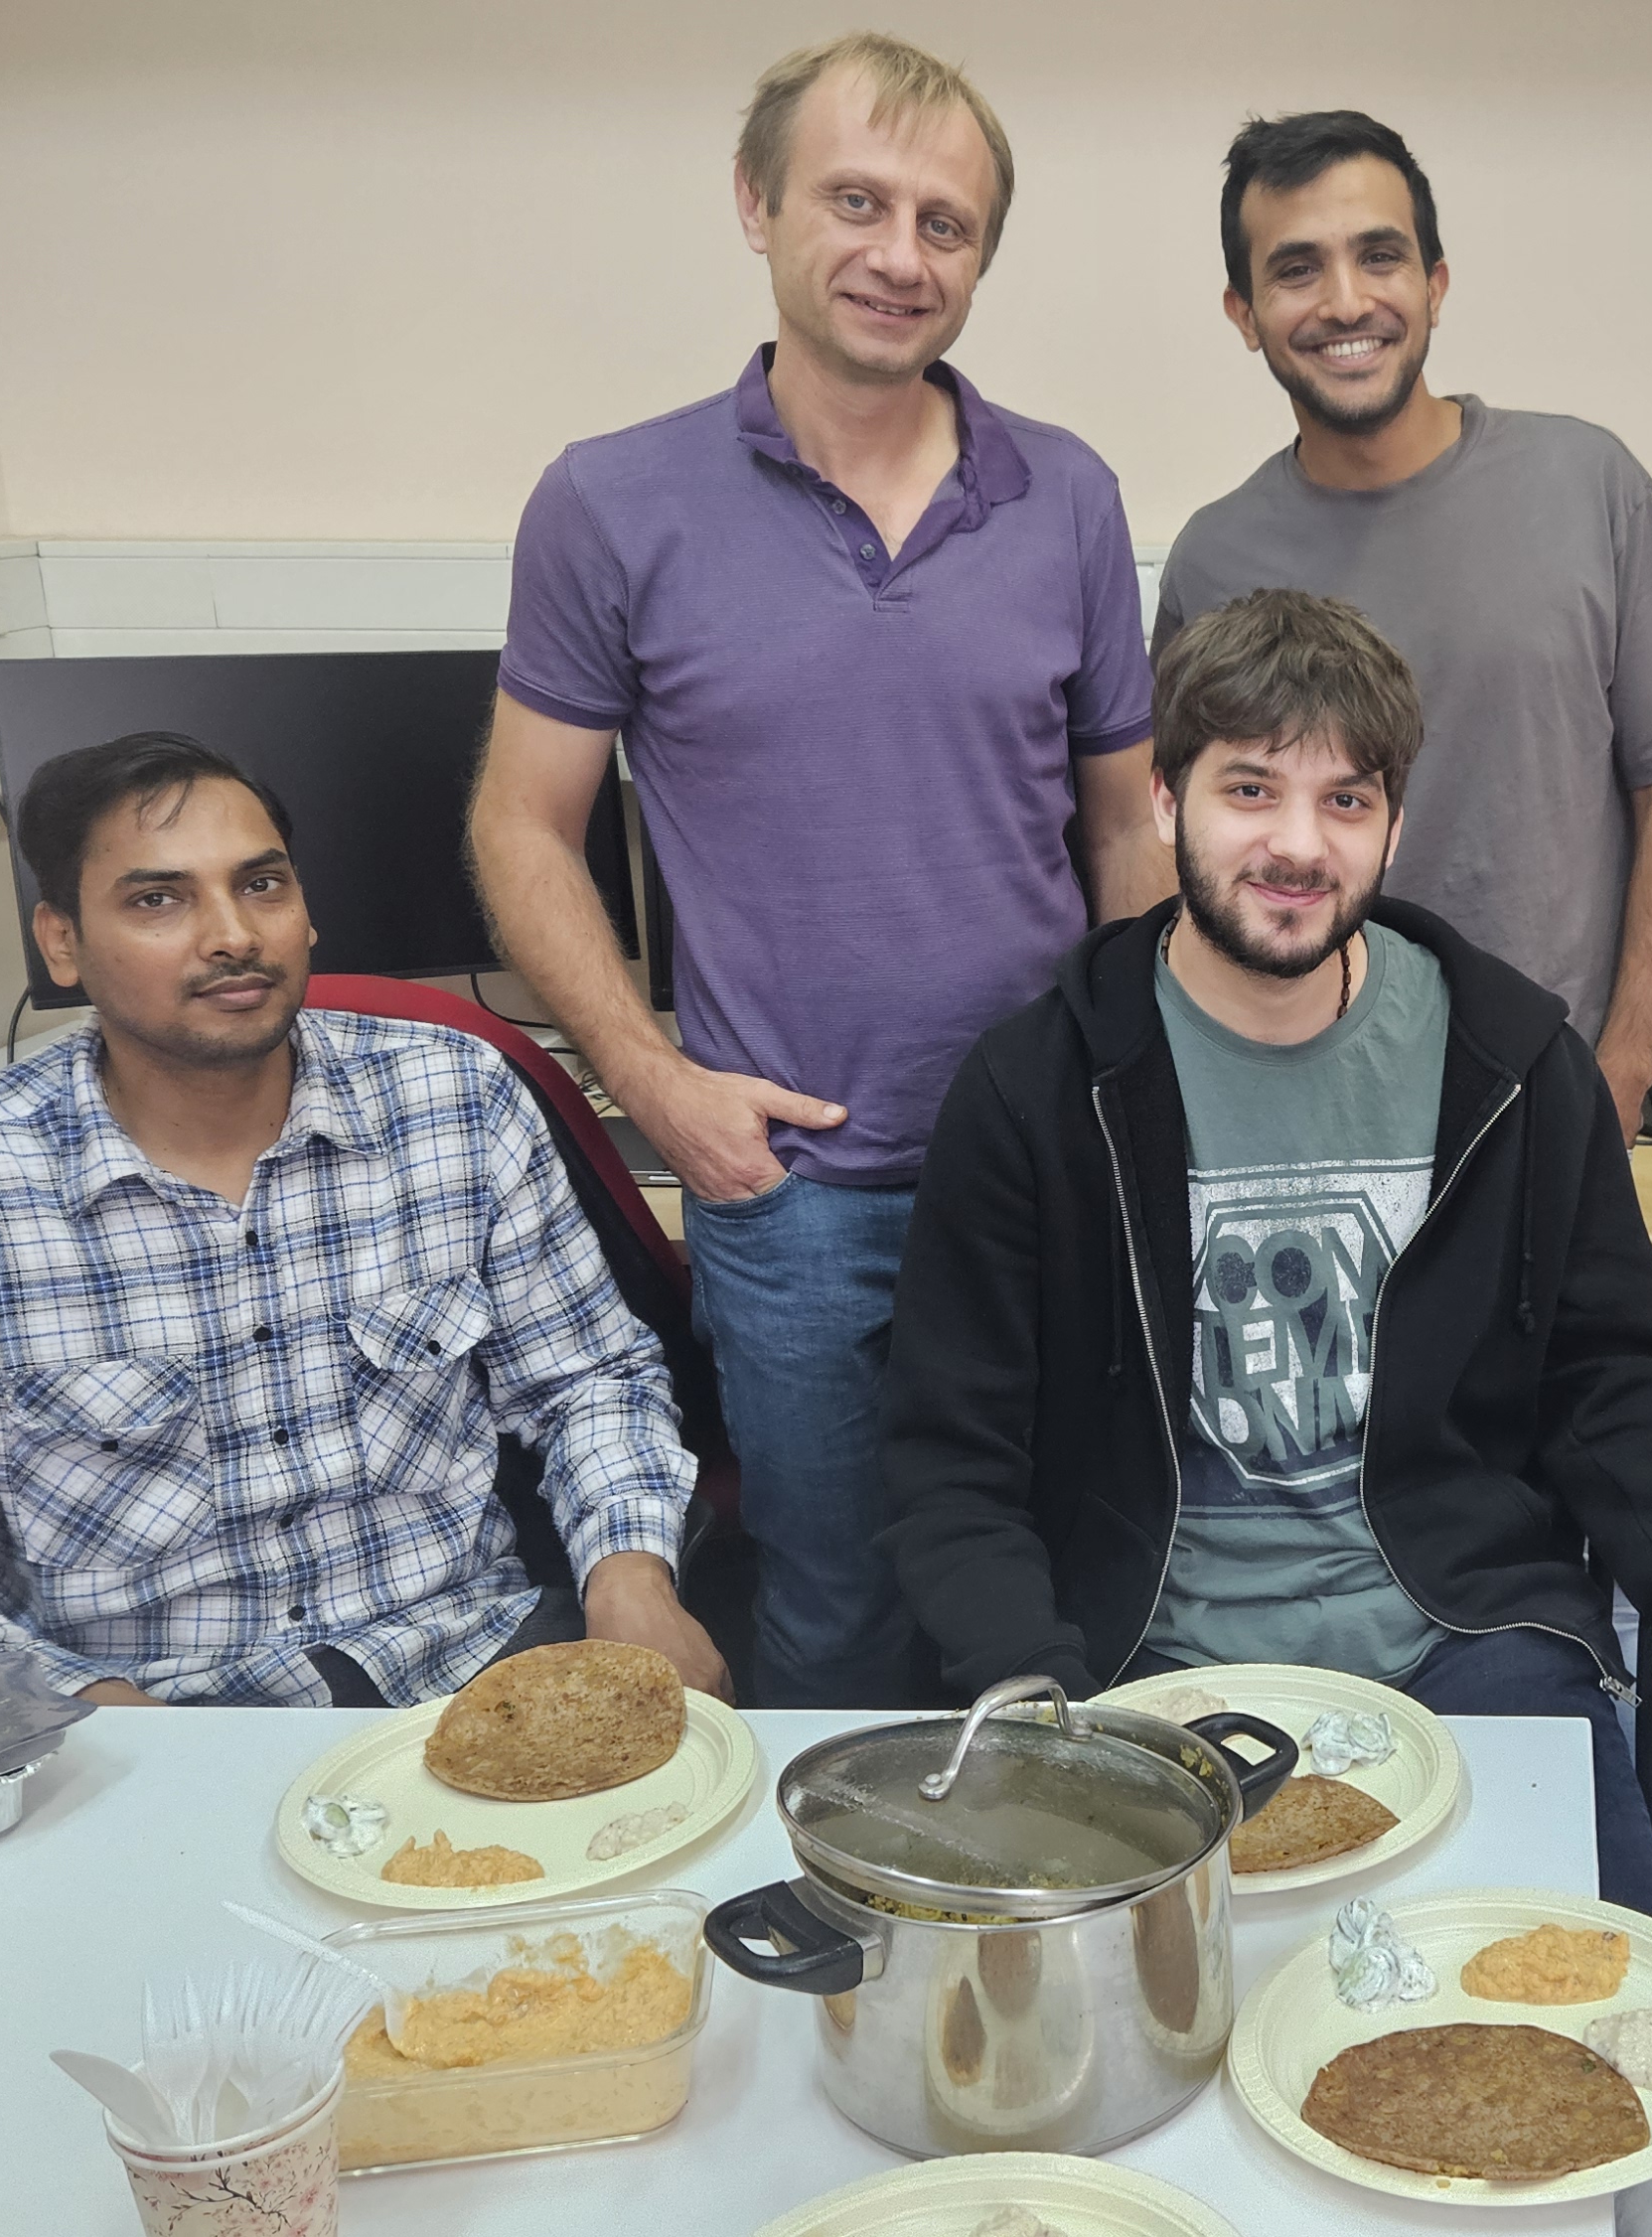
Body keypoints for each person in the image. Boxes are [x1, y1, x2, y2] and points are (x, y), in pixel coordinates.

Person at [876, 589, 1652, 1921]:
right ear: (1162, 797)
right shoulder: (1040, 1090)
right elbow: (949, 1458)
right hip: (1143, 1661)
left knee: (1607, 1994)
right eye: (1250, 790)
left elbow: (1619, 1385)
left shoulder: (1509, 1063)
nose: (1298, 846)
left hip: (1459, 1635)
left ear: (1393, 824)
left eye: (1347, 801)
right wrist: (1033, 1696)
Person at [470, 32, 1166, 1708]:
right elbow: (519, 824)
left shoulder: (1065, 498)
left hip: (1042, 1169)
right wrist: (652, 1080)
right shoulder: (613, 502)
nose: (899, 254)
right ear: (757, 204)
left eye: (946, 223)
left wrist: (1136, 1092)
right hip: (792, 1195)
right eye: (857, 201)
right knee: (837, 1619)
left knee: (1057, 1599)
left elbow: (1130, 826)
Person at [0, 734, 725, 1709]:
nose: (232, 934)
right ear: (63, 942)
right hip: (141, 1715)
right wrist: (85, 1709)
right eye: (157, 898)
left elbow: (589, 1379)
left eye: (261, 885)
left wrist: (629, 1574)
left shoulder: (455, 1098)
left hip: (466, 1664)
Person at [1155, 110, 1652, 1128]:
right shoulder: (1215, 557)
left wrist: (1623, 1065)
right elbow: (1186, 847)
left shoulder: (1586, 485)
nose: (1346, 300)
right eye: (1296, 268)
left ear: (1434, 283)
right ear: (1243, 312)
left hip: (1547, 1091)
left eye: (1378, 256)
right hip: (1302, 1107)